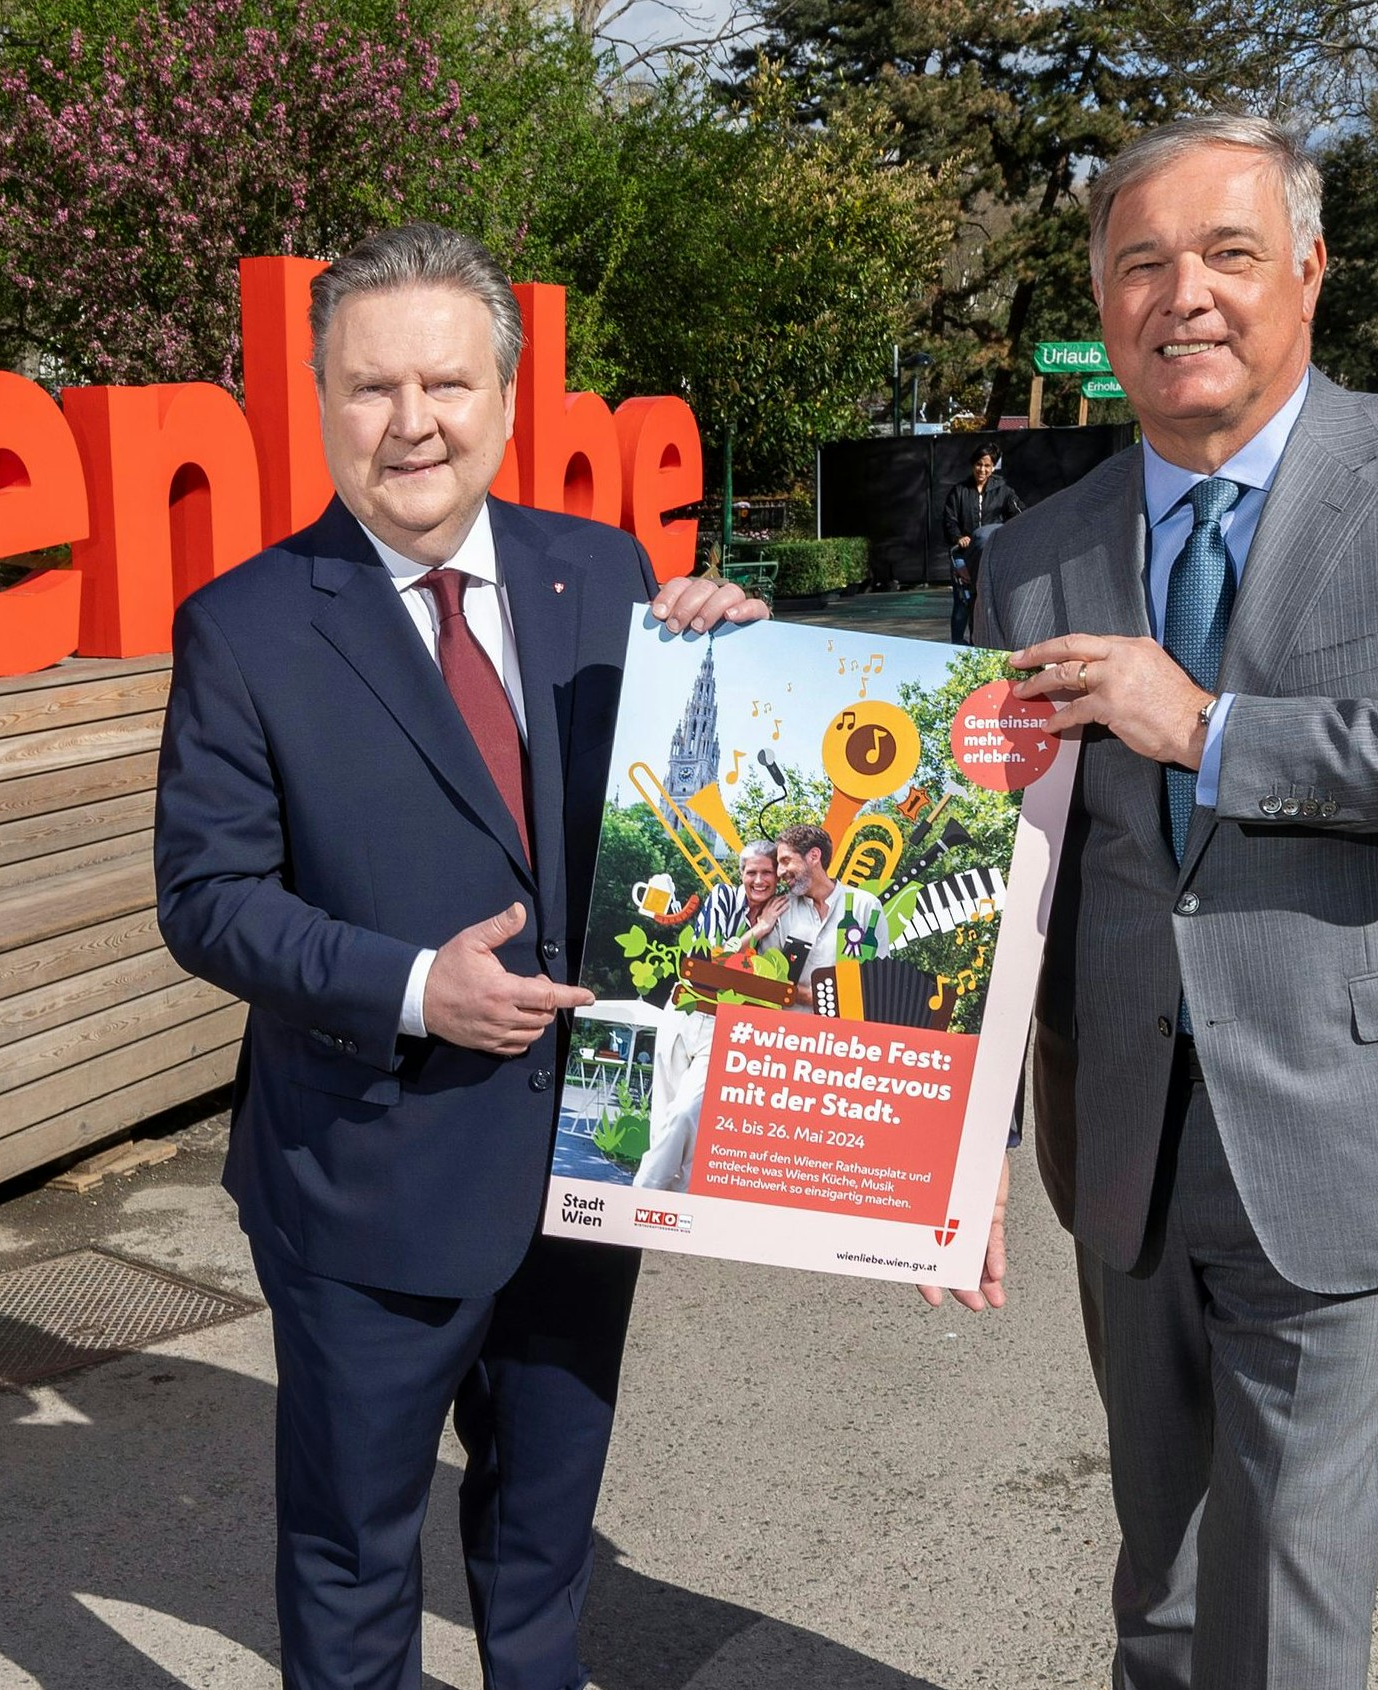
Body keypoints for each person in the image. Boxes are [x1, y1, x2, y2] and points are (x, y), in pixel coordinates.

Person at [970, 115, 1378, 1690]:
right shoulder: (1031, 552)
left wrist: (1210, 728)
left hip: (1347, 1123)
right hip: (1126, 1141)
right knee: (1157, 1567)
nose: (1187, 296)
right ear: (1102, 302)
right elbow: (982, 852)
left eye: (1228, 253)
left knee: (1286, 1572)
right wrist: (741, 661)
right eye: (1142, 262)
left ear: (1307, 267)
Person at [154, 223, 762, 1690]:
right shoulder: (243, 627)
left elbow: (687, 825)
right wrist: (419, 987)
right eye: (370, 388)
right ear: (318, 401)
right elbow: (208, 895)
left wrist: (733, 663)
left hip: (588, 1156)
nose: (409, 422)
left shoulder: (601, 569)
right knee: (356, 1555)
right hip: (368, 1173)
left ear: (504, 396)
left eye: (444, 382)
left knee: (543, 1533)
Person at [768, 821, 882, 998]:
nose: (780, 872)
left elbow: (878, 976)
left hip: (846, 1024)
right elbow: (767, 978)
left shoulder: (867, 906)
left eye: (786, 861)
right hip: (789, 1024)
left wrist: (819, 997)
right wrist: (814, 997)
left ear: (813, 856)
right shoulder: (779, 910)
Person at [941, 446, 1023, 644]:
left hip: (992, 557)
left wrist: (1004, 535)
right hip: (963, 556)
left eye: (987, 466)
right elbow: (949, 520)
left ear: (993, 467)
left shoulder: (1004, 492)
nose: (982, 470)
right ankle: (958, 646)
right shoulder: (959, 491)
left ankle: (983, 644)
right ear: (972, 465)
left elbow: (1020, 516)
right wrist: (958, 537)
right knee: (963, 603)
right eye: (979, 465)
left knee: (988, 603)